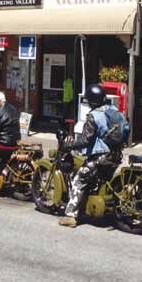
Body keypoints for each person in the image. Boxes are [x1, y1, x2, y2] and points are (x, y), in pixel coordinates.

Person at [58, 84, 122, 228]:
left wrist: (68, 145)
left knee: (79, 179)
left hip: (101, 157)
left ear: (91, 101)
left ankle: (70, 216)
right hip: (116, 155)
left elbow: (85, 140)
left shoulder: (94, 115)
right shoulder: (114, 111)